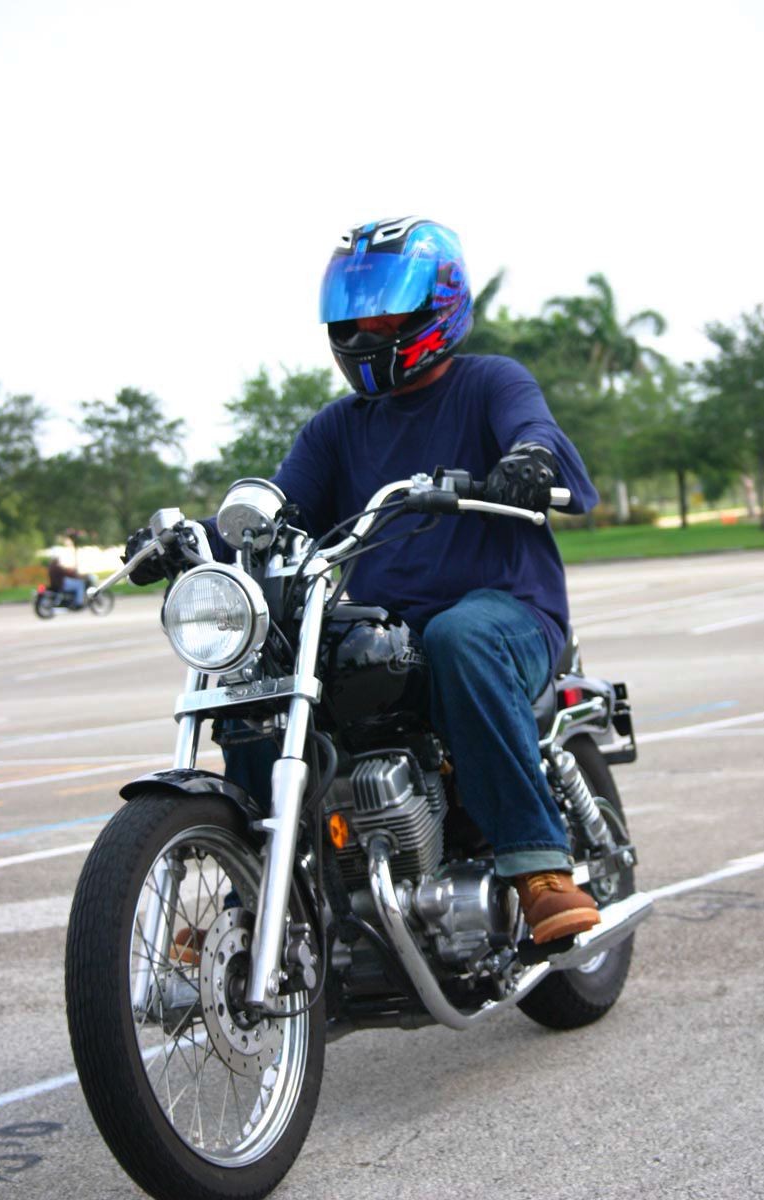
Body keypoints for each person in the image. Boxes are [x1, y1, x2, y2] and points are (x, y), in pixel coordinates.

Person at [129, 216, 601, 945]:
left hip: (507, 612)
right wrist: (190, 541)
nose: (363, 329)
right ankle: (261, 889)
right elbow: (276, 511)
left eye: (383, 313)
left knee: (460, 636)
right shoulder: (336, 428)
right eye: (352, 315)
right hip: (390, 628)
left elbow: (531, 429)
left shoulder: (490, 382)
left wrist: (529, 461)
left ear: (436, 305)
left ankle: (537, 864)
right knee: (260, 675)